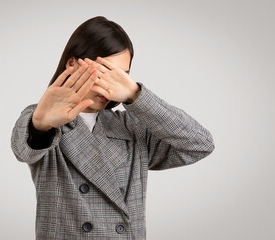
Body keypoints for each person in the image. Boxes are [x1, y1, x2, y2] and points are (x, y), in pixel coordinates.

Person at [11, 16, 215, 239]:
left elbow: (200, 144)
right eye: (104, 70)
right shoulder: (45, 121)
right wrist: (40, 125)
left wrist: (135, 95)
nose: (111, 83)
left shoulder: (131, 127)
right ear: (72, 64)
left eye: (122, 75)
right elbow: (24, 149)